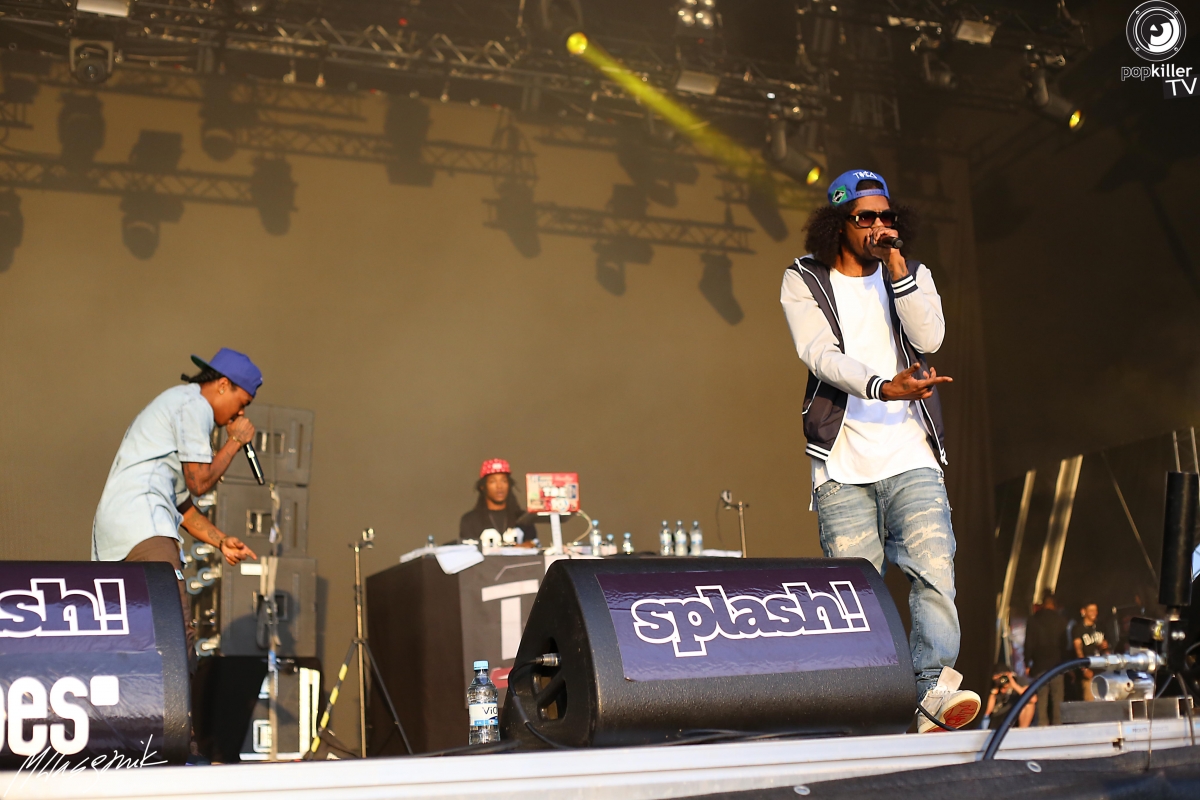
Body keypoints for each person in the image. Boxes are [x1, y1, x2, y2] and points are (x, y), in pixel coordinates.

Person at [780, 169, 979, 732]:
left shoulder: (911, 273)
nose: (878, 226)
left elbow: (930, 338)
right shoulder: (804, 278)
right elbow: (819, 354)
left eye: (886, 216)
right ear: (838, 223)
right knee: (854, 591)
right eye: (865, 217)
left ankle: (931, 691)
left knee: (934, 571)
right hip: (842, 460)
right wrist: (881, 386)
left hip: (910, 451)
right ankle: (868, 701)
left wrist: (898, 272)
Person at [92, 349, 260, 661]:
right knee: (174, 638)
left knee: (132, 643)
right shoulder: (194, 405)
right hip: (145, 528)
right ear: (224, 385)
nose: (240, 414)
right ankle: (181, 694)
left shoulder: (177, 405)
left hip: (118, 536)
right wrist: (235, 441)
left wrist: (221, 540)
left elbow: (182, 503)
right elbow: (199, 482)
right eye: (243, 403)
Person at [459, 459, 537, 544]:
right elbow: (468, 550)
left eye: (504, 481)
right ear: (483, 487)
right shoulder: (470, 520)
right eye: (492, 481)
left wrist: (527, 546)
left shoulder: (523, 518)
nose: (499, 486)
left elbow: (534, 546)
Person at [1024, 592, 1069, 725]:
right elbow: (1064, 644)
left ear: (1043, 604)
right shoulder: (1061, 620)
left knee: (1041, 701)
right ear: (1054, 604)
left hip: (1039, 665)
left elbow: (1029, 644)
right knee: (1057, 700)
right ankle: (1058, 727)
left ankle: (1041, 728)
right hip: (1057, 665)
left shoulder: (1033, 620)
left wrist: (1027, 662)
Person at [1074, 601, 1109, 700]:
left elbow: (1107, 647)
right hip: (1089, 672)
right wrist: (1084, 669)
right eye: (1091, 610)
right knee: (1090, 702)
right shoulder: (1078, 629)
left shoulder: (1101, 626)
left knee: (1105, 700)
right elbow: (1078, 650)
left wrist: (1104, 647)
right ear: (1083, 611)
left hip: (1103, 671)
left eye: (1095, 610)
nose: (1094, 613)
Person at [984, 664, 1036, 730]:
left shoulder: (1018, 681)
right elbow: (987, 712)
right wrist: (993, 691)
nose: (1003, 680)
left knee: (1028, 703)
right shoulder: (992, 685)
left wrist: (1014, 685)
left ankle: (1022, 731)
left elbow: (1033, 699)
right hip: (998, 718)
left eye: (1004, 677)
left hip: (1014, 714)